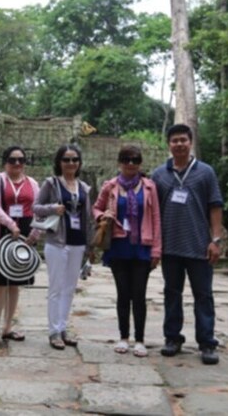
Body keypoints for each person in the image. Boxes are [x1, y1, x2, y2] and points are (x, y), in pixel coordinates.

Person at [151, 124, 224, 365]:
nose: (179, 144)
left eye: (183, 140)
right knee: (172, 293)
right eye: (175, 141)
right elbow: (153, 212)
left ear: (190, 142)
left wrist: (215, 240)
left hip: (199, 246)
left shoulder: (205, 172)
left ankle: (207, 342)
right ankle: (172, 338)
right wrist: (154, 245)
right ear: (169, 144)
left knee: (203, 295)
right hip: (170, 247)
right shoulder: (159, 175)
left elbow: (215, 206)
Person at [93, 145, 162, 357]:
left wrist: (157, 250)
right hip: (118, 246)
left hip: (142, 247)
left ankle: (140, 339)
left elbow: (156, 218)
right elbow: (95, 207)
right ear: (119, 162)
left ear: (140, 163)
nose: (130, 164)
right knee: (123, 294)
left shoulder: (149, 187)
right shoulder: (110, 186)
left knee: (139, 295)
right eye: (126, 159)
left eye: (134, 160)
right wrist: (102, 216)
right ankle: (123, 337)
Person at [34, 144, 93, 350]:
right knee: (56, 287)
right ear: (59, 162)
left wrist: (90, 245)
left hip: (78, 242)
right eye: (66, 160)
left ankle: (63, 326)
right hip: (57, 241)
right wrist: (53, 208)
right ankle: (53, 331)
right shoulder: (51, 184)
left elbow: (87, 218)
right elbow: (36, 208)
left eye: (75, 159)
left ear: (79, 163)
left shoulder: (84, 187)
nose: (71, 163)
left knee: (69, 288)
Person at [0, 146, 40, 348]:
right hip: (1, 233)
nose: (17, 164)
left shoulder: (32, 183)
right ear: (5, 161)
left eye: (21, 160)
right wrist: (9, 224)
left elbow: (38, 209)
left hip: (23, 236)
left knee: (15, 283)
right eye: (12, 160)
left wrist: (35, 233)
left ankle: (8, 326)